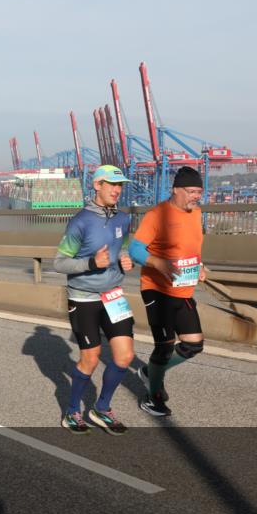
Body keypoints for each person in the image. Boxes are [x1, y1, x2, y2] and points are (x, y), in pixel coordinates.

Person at [53, 165, 136, 435]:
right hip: (84, 298)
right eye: (112, 184)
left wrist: (124, 261)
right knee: (90, 358)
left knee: (125, 356)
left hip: (113, 295)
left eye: (120, 185)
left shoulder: (122, 219)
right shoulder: (80, 221)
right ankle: (72, 410)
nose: (117, 190)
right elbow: (60, 263)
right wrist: (91, 262)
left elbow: (122, 247)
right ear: (97, 185)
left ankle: (101, 408)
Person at [130, 166, 208, 417]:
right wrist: (158, 263)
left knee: (193, 345)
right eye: (191, 191)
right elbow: (135, 250)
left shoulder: (196, 214)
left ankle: (150, 372)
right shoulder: (157, 215)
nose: (196, 196)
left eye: (199, 191)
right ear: (176, 190)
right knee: (164, 347)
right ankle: (152, 398)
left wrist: (200, 266)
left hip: (183, 290)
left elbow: (191, 247)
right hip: (157, 289)